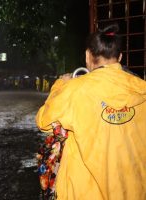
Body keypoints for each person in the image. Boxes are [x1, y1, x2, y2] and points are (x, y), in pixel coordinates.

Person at [36, 24, 146, 200]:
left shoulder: (74, 89)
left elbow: (43, 121)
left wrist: (59, 86)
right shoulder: (141, 89)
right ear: (119, 57)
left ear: (88, 56)